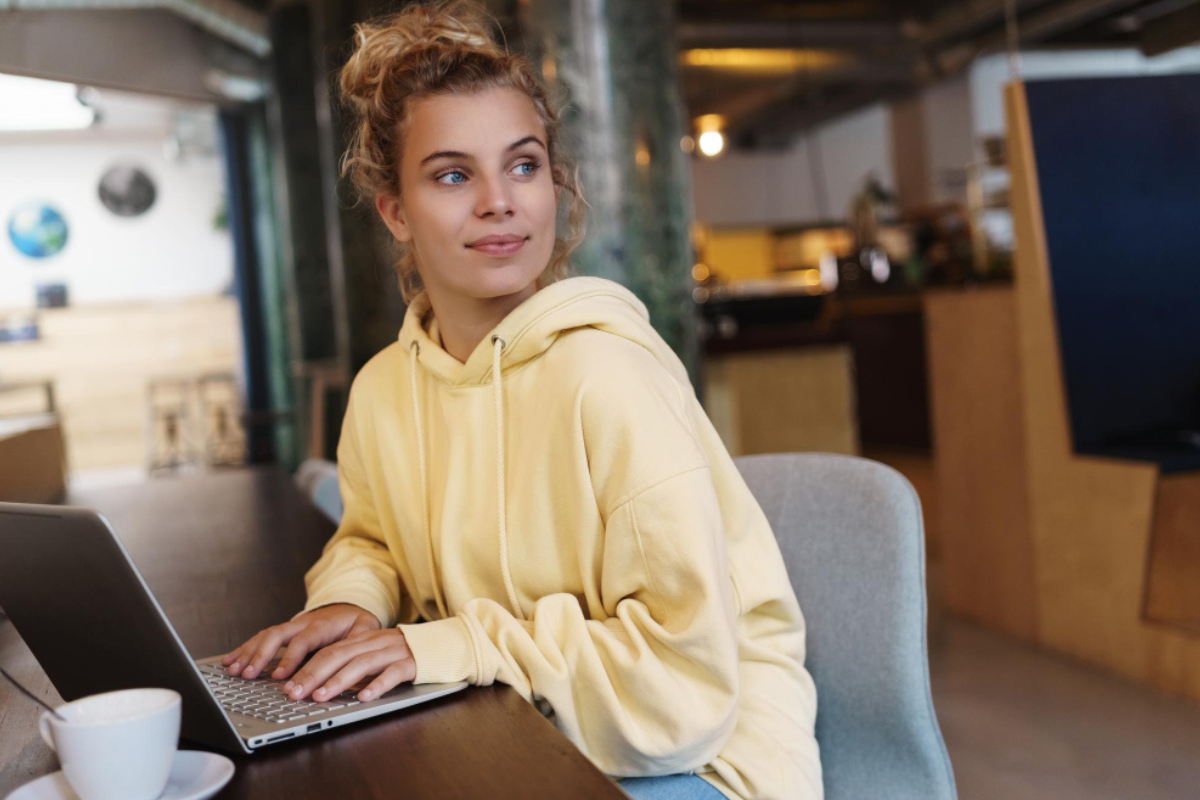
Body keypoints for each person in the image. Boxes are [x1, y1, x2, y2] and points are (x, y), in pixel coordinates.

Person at [220, 3, 822, 798]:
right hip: (520, 727)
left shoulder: (610, 378)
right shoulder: (383, 391)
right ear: (395, 211)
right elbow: (375, 541)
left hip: (701, 758)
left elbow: (682, 692)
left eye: (524, 164)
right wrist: (351, 603)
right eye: (452, 174)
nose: (499, 200)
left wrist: (451, 648)